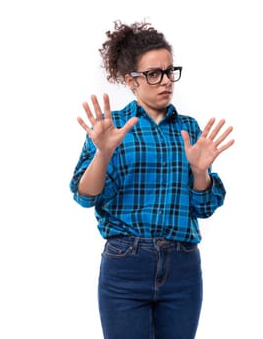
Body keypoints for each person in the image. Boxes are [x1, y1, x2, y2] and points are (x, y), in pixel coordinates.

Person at [69, 20, 235, 339]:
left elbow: (203, 207)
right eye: (153, 74)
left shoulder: (188, 129)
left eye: (169, 71)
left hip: (183, 267)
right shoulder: (111, 128)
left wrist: (200, 172)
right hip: (125, 266)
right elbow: (85, 197)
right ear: (132, 81)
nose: (165, 81)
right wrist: (103, 153)